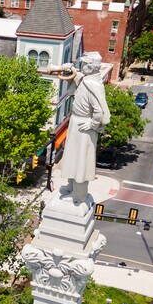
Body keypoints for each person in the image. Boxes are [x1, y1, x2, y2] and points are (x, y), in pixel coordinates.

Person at [43, 52, 110, 205]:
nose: (82, 66)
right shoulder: (87, 80)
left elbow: (99, 111)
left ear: (92, 67)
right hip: (76, 122)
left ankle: (79, 194)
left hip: (84, 125)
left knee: (81, 160)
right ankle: (72, 186)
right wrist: (69, 71)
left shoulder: (93, 85)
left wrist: (92, 124)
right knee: (73, 156)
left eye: (85, 64)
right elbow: (77, 81)